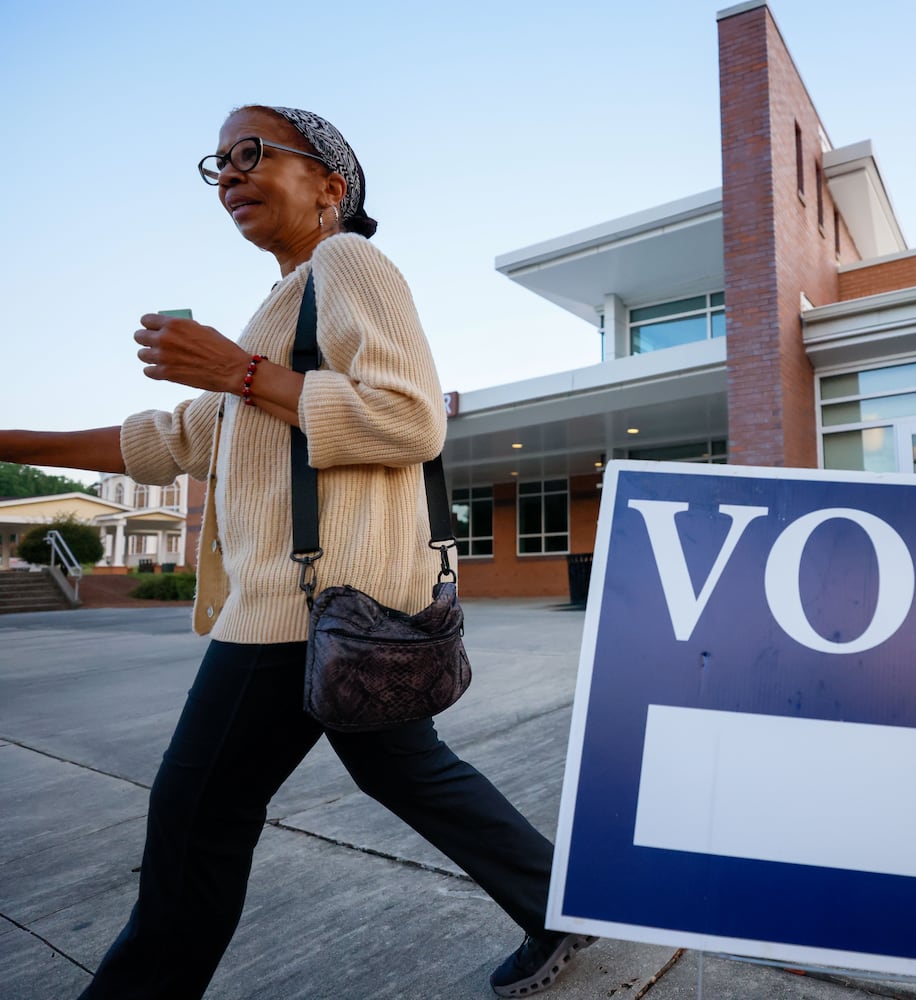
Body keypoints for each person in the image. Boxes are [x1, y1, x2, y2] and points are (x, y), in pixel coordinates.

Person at [0, 105, 592, 999]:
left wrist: (236, 372)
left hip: (307, 603)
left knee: (198, 817)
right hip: (349, 606)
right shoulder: (281, 306)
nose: (230, 173)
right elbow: (167, 440)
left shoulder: (348, 261)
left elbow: (409, 417)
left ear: (330, 185)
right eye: (220, 163)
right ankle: (558, 904)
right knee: (408, 772)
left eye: (253, 153)